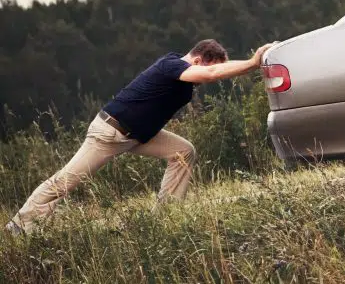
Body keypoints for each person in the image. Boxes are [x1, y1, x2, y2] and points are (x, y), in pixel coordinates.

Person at [5, 39, 276, 235]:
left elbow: (213, 71)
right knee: (64, 183)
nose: (203, 78)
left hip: (139, 135)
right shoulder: (172, 66)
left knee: (183, 152)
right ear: (197, 61)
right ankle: (18, 227)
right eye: (205, 69)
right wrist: (253, 62)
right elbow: (211, 73)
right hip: (109, 133)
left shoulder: (181, 70)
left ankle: (166, 215)